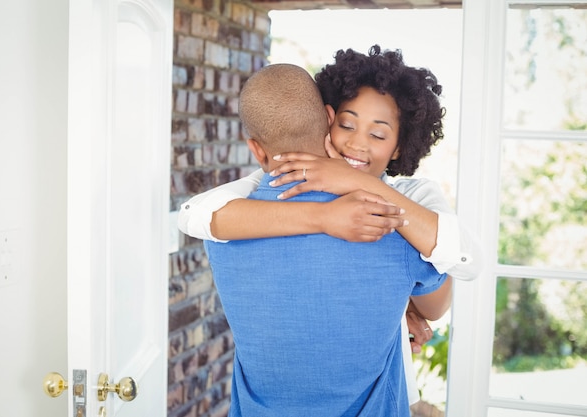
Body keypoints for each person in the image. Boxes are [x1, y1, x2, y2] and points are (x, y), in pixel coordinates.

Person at [179, 45, 483, 404]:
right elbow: (195, 214)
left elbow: (460, 266)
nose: (357, 143)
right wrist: (326, 218)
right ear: (328, 118)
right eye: (348, 124)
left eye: (379, 134)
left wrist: (396, 304)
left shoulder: (227, 230)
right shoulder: (393, 233)